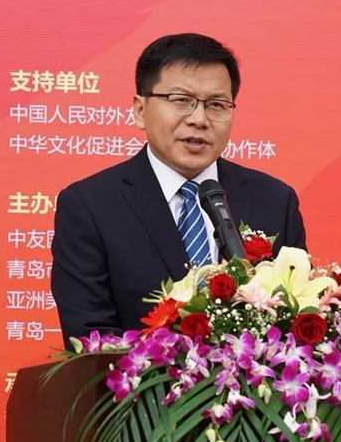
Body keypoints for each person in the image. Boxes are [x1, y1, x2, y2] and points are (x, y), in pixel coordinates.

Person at [51, 33, 307, 348]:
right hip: (138, 380)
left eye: (216, 105)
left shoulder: (275, 201)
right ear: (140, 110)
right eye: (181, 100)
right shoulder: (90, 206)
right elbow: (91, 339)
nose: (199, 119)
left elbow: (297, 323)